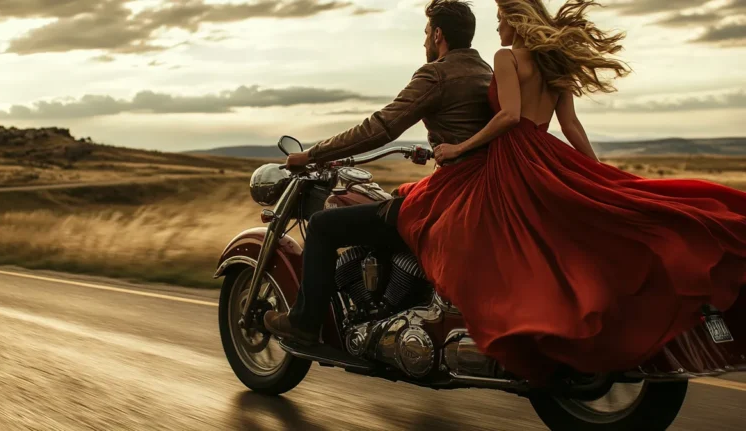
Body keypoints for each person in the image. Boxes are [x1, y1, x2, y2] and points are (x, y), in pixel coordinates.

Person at [395, 0, 746, 384]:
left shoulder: (506, 57)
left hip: (515, 160)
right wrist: (598, 175)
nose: (497, 30)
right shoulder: (554, 62)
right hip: (546, 152)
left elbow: (510, 116)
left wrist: (459, 149)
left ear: (515, 20)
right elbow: (572, 126)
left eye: (499, 21)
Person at [264, 0, 494, 344]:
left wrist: (313, 153)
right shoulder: (485, 72)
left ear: (438, 34)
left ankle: (305, 322)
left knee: (325, 226)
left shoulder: (437, 74)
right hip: (479, 194)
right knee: (394, 203)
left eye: (426, 33)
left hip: (451, 197)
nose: (424, 42)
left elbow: (380, 127)